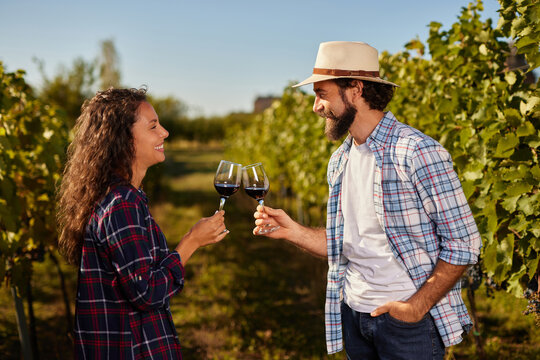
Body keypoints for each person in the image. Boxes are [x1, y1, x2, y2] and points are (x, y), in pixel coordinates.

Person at [253, 41, 482, 359]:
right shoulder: (340, 160)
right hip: (353, 315)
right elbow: (345, 244)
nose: (316, 107)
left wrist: (415, 307)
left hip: (406, 326)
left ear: (355, 89)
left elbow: (464, 242)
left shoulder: (415, 151)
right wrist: (293, 231)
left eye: (322, 94)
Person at [57, 88, 228, 359]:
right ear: (122, 139)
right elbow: (146, 292)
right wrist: (191, 241)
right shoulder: (123, 202)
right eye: (153, 126)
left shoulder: (114, 196)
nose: (165, 132)